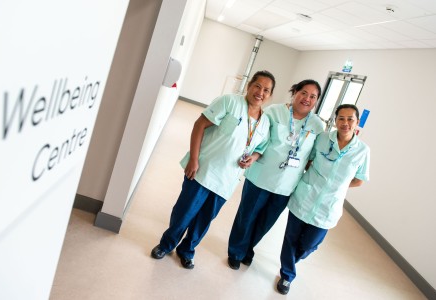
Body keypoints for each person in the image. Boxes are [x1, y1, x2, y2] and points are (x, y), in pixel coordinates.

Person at [150, 70, 275, 269]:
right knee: (184, 213)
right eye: (257, 86)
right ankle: (166, 244)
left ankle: (187, 250)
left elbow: (260, 149)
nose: (260, 92)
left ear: (270, 96)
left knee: (204, 221)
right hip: (202, 170)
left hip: (227, 180)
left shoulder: (265, 122)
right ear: (250, 85)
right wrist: (193, 159)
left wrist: (252, 158)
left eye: (266, 90)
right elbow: (199, 125)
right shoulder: (229, 102)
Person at [227, 79, 324, 270]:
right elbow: (258, 139)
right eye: (304, 93)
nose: (307, 99)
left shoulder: (317, 125)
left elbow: (312, 158)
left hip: (286, 185)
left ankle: (248, 249)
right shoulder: (273, 112)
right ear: (294, 91)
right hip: (260, 177)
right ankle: (236, 251)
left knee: (266, 223)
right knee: (246, 217)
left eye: (313, 96)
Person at [276, 104, 370, 295]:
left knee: (310, 244)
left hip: (329, 206)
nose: (345, 123)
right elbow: (308, 160)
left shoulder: (363, 150)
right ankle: (287, 275)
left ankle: (291, 260)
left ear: (357, 122)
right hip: (305, 196)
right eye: (341, 118)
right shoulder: (322, 139)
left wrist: (338, 186)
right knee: (290, 239)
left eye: (350, 119)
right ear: (335, 121)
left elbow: (359, 180)